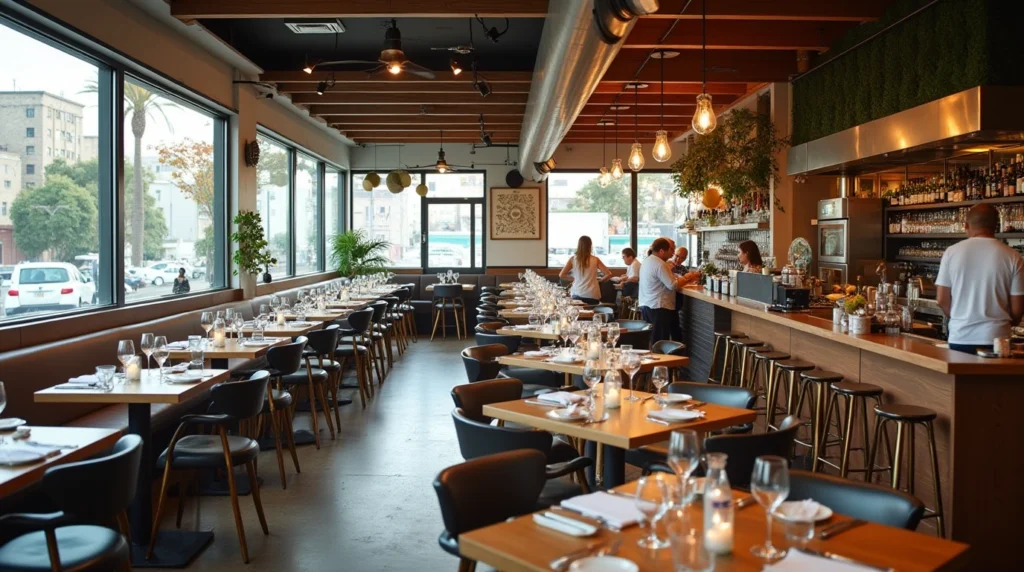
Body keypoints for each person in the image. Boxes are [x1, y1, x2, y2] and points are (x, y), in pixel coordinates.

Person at [935, 204, 1024, 354]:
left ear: (966, 225)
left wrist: (960, 318)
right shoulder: (1014, 257)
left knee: (959, 378)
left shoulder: (951, 253)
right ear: (996, 226)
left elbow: (942, 299)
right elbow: (1018, 308)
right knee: (993, 378)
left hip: (960, 337)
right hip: (997, 338)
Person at [639, 238, 692, 342]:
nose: (671, 254)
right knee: (660, 341)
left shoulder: (647, 261)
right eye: (670, 251)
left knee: (653, 339)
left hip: (647, 305)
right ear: (662, 251)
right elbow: (673, 285)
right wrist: (688, 277)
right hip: (659, 307)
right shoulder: (660, 264)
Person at [559, 235, 611, 304]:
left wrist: (574, 278)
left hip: (577, 293)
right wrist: (599, 281)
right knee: (592, 313)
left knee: (578, 314)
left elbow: (561, 274)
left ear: (579, 245)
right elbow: (608, 274)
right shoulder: (595, 260)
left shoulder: (573, 259)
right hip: (592, 294)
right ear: (590, 246)